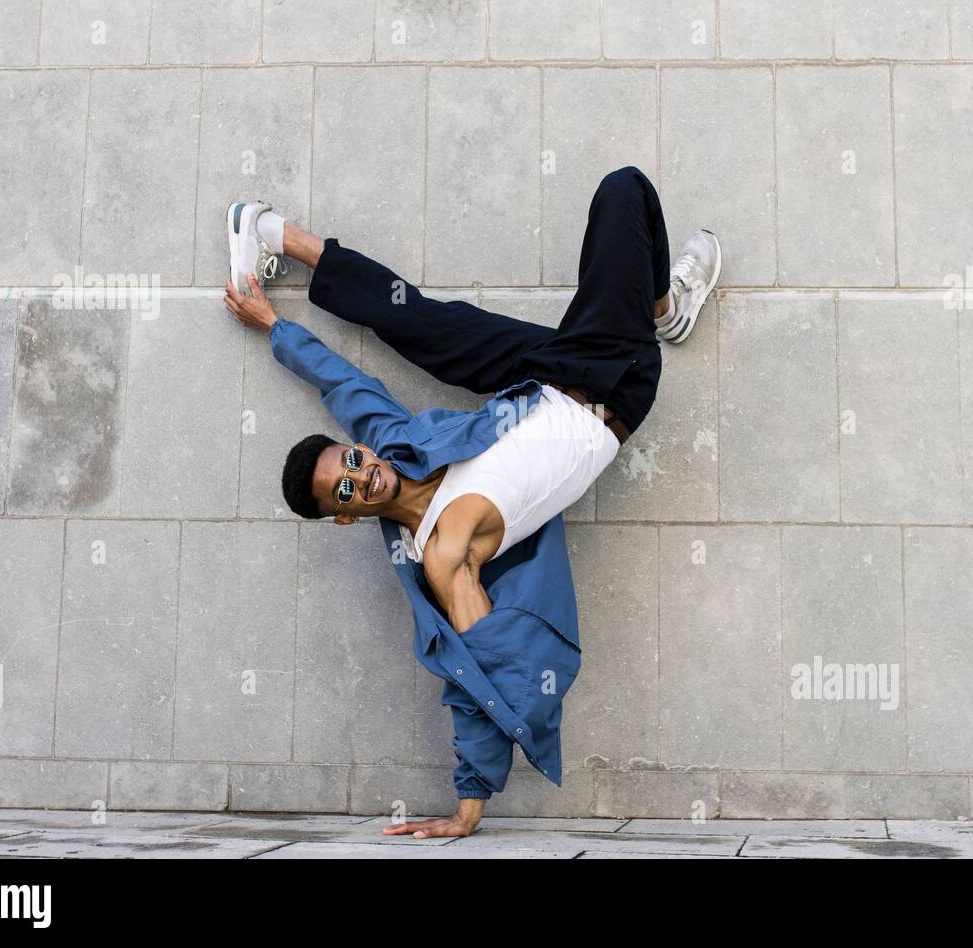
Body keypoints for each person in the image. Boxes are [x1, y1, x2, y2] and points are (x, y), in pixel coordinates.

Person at [223, 166, 720, 838]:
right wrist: (469, 803)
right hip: (611, 386)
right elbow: (483, 670)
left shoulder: (395, 450)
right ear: (344, 514)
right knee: (623, 191)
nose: (363, 475)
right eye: (345, 488)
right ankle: (664, 311)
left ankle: (280, 235)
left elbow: (343, 384)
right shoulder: (445, 557)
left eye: (352, 460)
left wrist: (274, 324)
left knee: (422, 322)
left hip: (537, 376)